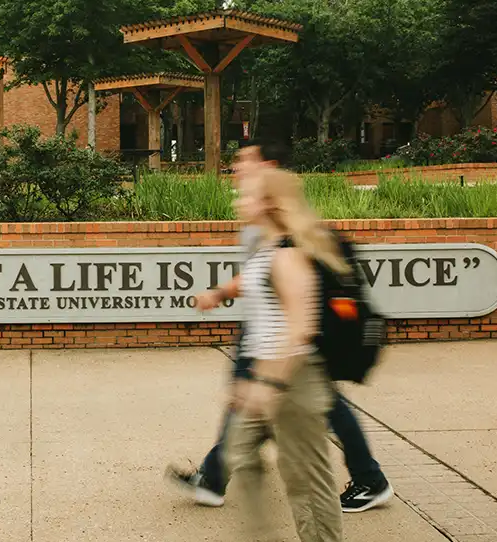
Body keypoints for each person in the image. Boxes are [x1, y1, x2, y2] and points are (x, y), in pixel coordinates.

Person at [166, 144, 392, 514]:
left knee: (314, 409)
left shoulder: (280, 226)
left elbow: (292, 297)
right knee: (274, 406)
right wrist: (222, 293)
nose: (236, 167)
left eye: (245, 160)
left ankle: (367, 480)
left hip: (282, 342)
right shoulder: (260, 224)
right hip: (266, 336)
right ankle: (216, 477)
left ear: (268, 169)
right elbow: (258, 277)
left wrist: (271, 374)